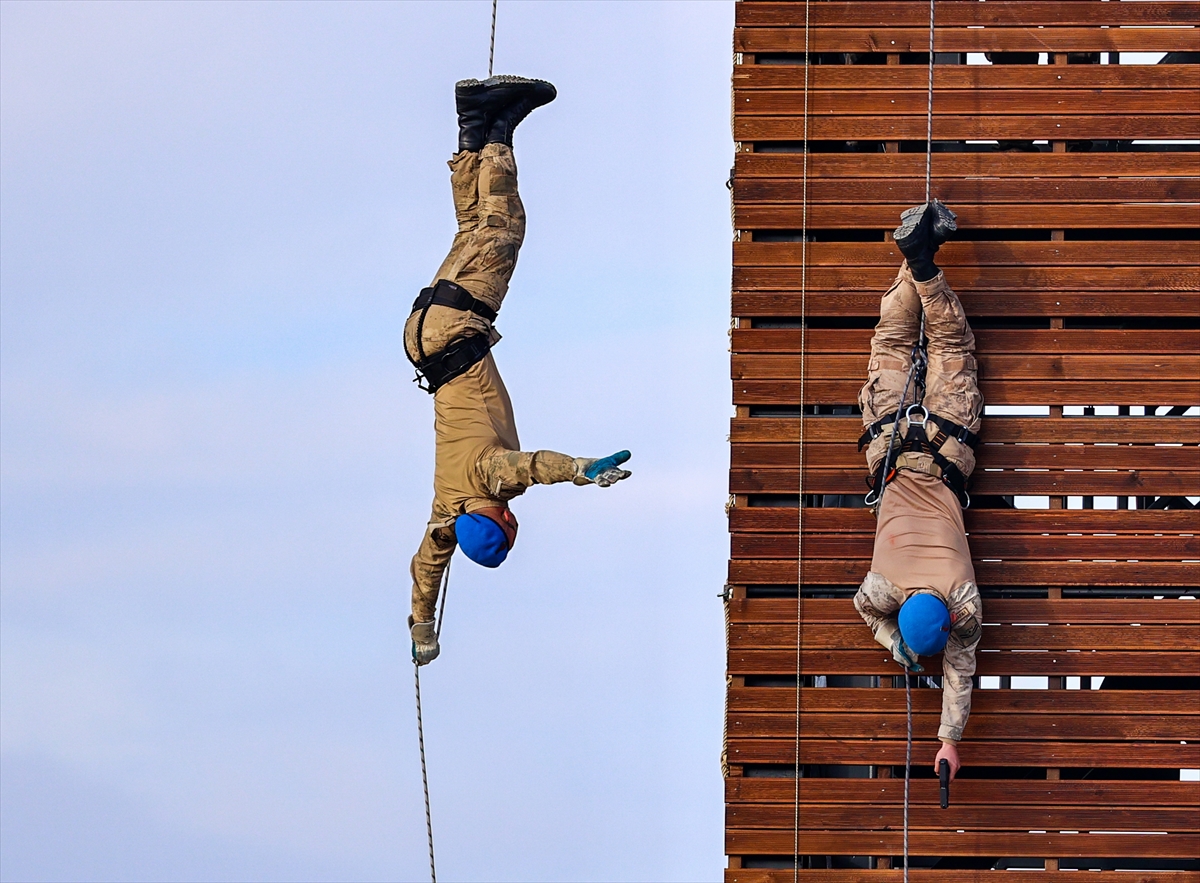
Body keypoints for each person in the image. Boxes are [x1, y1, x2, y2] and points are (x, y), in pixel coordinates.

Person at [403, 76, 632, 666]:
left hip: (456, 329)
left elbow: (531, 467)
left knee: (503, 231)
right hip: (427, 335)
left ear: (501, 521)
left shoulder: (488, 482)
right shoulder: (444, 515)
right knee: (474, 233)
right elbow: (425, 568)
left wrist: (583, 470)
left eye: (510, 524)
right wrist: (421, 630)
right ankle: (474, 127)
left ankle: (496, 128)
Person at [852, 200, 984, 780]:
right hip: (886, 444)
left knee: (952, 345)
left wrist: (948, 740)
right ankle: (916, 255)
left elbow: (960, 670)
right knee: (892, 345)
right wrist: (895, 643)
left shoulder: (962, 598)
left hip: (948, 445)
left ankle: (923, 262)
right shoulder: (882, 587)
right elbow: (865, 609)